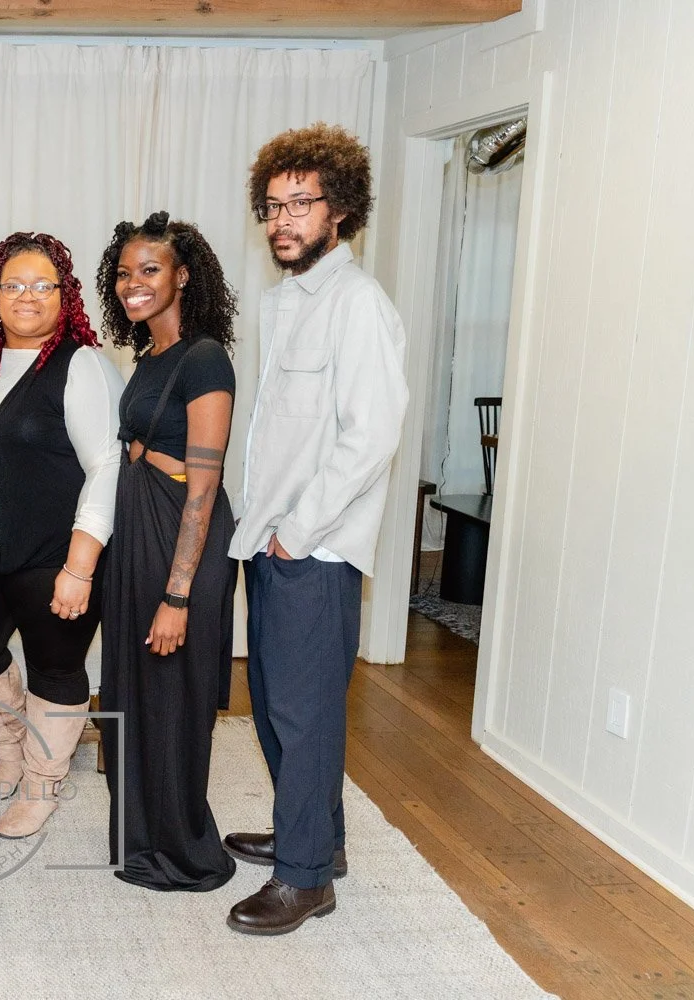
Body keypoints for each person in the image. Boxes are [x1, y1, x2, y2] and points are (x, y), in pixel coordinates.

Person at [224, 123, 409, 934]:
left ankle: (306, 880)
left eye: (301, 203)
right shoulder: (293, 299)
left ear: (342, 208)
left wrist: (297, 532)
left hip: (313, 547)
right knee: (273, 705)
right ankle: (315, 838)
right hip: (272, 542)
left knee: (301, 714)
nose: (283, 221)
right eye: (273, 206)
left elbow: (371, 435)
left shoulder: (358, 305)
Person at [0, 232, 123, 839]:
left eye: (42, 285)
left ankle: (44, 782)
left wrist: (80, 566)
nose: (27, 296)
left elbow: (107, 465)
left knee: (56, 664)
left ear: (64, 296)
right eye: (13, 284)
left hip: (53, 550)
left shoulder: (82, 364)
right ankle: (12, 753)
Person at [95, 211, 240, 893]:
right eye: (124, 273)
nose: (133, 284)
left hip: (182, 543)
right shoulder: (149, 355)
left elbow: (204, 485)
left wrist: (178, 594)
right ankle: (143, 839)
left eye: (149, 270)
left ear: (183, 276)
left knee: (172, 700)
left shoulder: (205, 357)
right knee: (134, 692)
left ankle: (184, 850)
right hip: (138, 538)